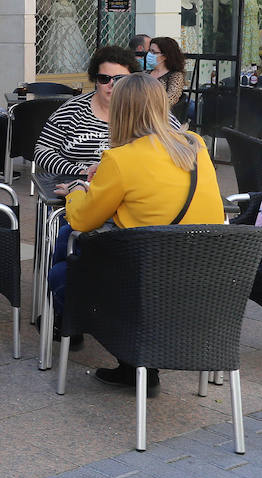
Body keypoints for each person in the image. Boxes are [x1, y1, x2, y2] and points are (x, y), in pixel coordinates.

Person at [49, 73, 224, 395]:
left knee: (61, 270)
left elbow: (82, 221)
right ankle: (136, 365)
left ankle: (74, 329)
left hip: (143, 287)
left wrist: (76, 189)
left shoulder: (120, 158)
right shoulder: (195, 145)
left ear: (121, 111)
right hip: (204, 284)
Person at [33, 45, 140, 179]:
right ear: (95, 80)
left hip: (128, 185)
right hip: (75, 183)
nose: (112, 84)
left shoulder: (146, 110)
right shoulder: (73, 109)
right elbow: (43, 151)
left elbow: (172, 145)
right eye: (104, 78)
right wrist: (80, 172)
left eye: (120, 79)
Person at [146, 35, 187, 107]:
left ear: (165, 56)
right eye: (149, 51)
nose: (149, 54)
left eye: (153, 52)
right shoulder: (145, 73)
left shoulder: (176, 76)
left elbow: (171, 99)